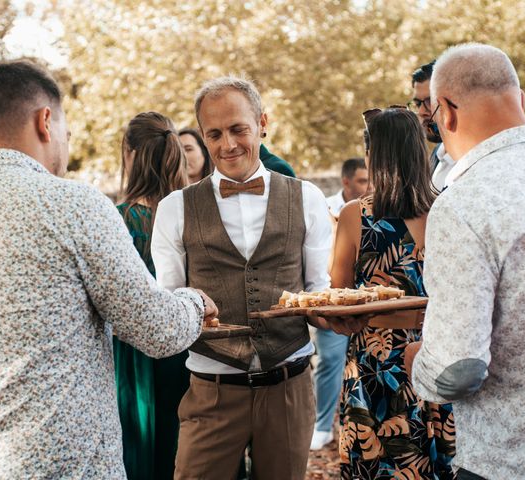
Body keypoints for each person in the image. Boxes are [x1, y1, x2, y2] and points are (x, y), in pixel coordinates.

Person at [0, 60, 218, 479]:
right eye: (66, 128)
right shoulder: (76, 207)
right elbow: (157, 329)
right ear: (45, 121)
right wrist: (193, 301)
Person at [152, 75, 333, 479]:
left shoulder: (307, 198)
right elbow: (169, 301)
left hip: (288, 384)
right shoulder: (174, 209)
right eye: (214, 134)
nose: (227, 144)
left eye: (238, 129)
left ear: (263, 123)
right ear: (202, 136)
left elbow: (318, 290)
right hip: (211, 390)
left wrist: (336, 317)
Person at [406, 43, 525, 480]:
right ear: (518, 99)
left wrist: (417, 361)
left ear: (446, 112)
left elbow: (457, 370)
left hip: (506, 460)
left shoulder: (465, 203)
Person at [326, 107, 455, 479]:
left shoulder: (356, 216)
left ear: (373, 156)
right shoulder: (448, 208)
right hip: (441, 355)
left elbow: (340, 297)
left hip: (376, 366)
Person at [116, 112, 190, 480]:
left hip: (135, 358)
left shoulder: (120, 219)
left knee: (141, 447)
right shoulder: (194, 212)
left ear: (129, 154)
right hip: (190, 348)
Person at [310, 156, 369, 451]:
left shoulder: (375, 207)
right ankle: (322, 426)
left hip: (368, 298)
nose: (366, 185)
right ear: (346, 181)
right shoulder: (324, 206)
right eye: (360, 180)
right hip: (333, 293)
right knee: (330, 360)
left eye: (368, 180)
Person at [409, 61, 454, 192]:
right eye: (418, 103)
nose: (422, 111)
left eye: (430, 101)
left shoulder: (476, 159)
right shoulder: (435, 157)